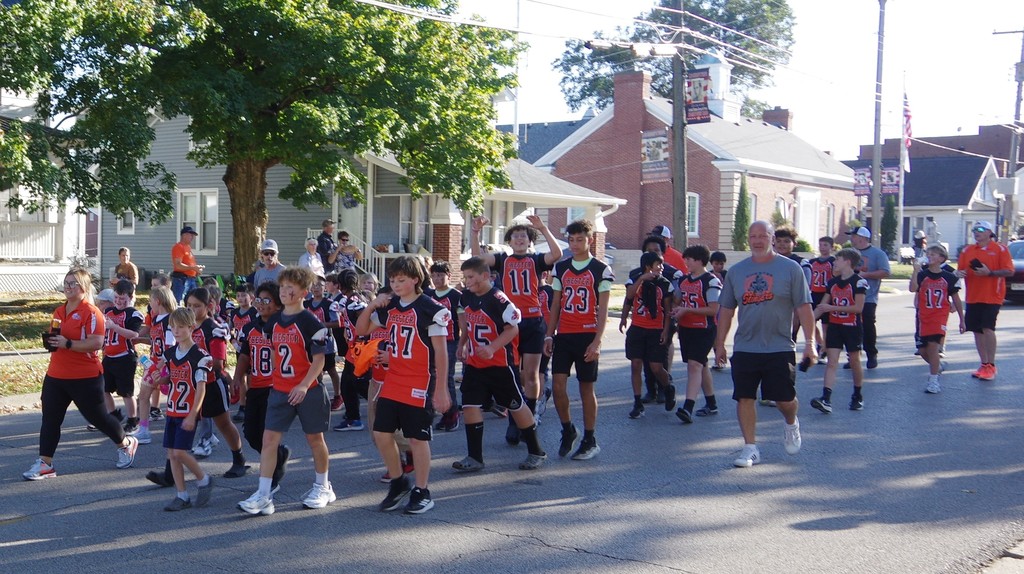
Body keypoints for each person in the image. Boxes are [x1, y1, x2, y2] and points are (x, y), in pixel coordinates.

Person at [714, 221, 814, 468]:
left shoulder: (790, 269)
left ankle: (791, 423)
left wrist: (810, 343)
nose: (757, 240)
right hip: (746, 346)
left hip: (779, 346)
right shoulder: (737, 272)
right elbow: (726, 310)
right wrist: (719, 344)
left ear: (772, 238)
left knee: (785, 400)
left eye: (763, 236)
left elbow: (804, 307)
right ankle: (750, 448)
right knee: (744, 397)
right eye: (753, 236)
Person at [355, 256, 451, 514]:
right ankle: (399, 483)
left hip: (420, 382)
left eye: (401, 280)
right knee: (381, 433)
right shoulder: (390, 306)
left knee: (417, 438)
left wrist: (441, 389)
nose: (395, 285)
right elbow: (361, 330)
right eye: (392, 280)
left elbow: (441, 353)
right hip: (394, 380)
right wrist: (372, 305)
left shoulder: (430, 309)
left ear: (415, 280)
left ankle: (422, 490)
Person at [23, 269, 140, 480]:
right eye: (66, 283)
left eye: (73, 284)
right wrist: (51, 341)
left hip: (85, 376)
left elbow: (96, 342)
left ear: (83, 288)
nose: (68, 287)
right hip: (56, 374)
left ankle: (125, 444)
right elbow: (56, 336)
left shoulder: (92, 313)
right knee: (50, 419)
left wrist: (68, 343)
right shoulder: (59, 311)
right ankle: (45, 464)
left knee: (98, 418)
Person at [238, 267, 335, 515]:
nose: (285, 291)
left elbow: (319, 361)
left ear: (304, 292)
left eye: (290, 287)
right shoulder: (275, 322)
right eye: (282, 287)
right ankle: (263, 494)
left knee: (315, 439)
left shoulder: (310, 322)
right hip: (280, 390)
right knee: (268, 440)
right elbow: (273, 352)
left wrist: (303, 385)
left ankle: (323, 486)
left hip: (308, 389)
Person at [470, 214, 562, 445]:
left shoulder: (537, 260)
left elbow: (557, 254)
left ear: (529, 241)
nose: (519, 239)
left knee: (531, 375)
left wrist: (542, 228)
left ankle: (527, 421)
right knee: (512, 374)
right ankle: (514, 420)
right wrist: (475, 232)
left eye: (523, 236)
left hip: (533, 322)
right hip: (510, 323)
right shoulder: (503, 259)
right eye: (515, 236)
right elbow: (477, 258)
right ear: (509, 241)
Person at [452, 256, 547, 472]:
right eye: (465, 277)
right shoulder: (467, 297)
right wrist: (463, 343)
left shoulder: (498, 299)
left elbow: (513, 329)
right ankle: (475, 457)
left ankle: (536, 450)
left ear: (485, 276)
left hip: (500, 365)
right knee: (469, 405)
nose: (467, 281)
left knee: (515, 405)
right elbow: (467, 323)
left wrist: (493, 347)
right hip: (476, 364)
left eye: (471, 277)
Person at [543, 219, 614, 461]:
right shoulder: (561, 268)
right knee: (559, 385)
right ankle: (568, 429)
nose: (574, 244)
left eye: (580, 239)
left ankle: (590, 439)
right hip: (565, 334)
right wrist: (549, 334)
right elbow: (555, 304)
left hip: (586, 335)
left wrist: (597, 341)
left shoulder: (600, 269)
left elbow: (603, 310)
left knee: (586, 388)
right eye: (571, 240)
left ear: (590, 240)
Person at [183, 288, 248, 479]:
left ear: (208, 306)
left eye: (197, 306)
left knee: (224, 424)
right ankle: (172, 471)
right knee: (183, 426)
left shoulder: (213, 329)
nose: (192, 310)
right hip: (191, 386)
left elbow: (218, 363)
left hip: (211, 384)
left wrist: (196, 363)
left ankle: (239, 460)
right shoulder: (186, 327)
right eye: (188, 306)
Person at [233, 282, 292, 492]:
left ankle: (272, 477)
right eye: (259, 299)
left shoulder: (282, 326)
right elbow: (244, 356)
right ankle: (279, 455)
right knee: (250, 432)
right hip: (255, 386)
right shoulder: (250, 327)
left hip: (275, 387)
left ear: (277, 304)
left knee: (267, 434)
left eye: (267, 300)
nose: (261, 304)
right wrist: (237, 378)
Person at [161, 308, 215, 511]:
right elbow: (173, 379)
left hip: (186, 412)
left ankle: (204, 479)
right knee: (173, 454)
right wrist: (162, 378)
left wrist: (193, 414)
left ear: (191, 327)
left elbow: (201, 388)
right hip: (172, 409)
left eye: (181, 327)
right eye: (173, 326)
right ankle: (182, 495)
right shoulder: (170, 353)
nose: (176, 330)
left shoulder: (200, 356)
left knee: (180, 452)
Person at [810, 248, 868, 414]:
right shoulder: (832, 282)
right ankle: (826, 398)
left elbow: (858, 308)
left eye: (837, 259)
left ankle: (857, 395)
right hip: (835, 326)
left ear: (847, 262)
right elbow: (822, 306)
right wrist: (809, 321)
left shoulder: (858, 282)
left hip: (852, 327)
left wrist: (832, 307)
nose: (834, 262)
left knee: (855, 361)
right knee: (832, 362)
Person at [620, 251, 675, 420]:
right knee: (635, 364)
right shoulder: (636, 279)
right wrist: (623, 318)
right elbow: (629, 297)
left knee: (656, 367)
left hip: (655, 329)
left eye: (662, 264)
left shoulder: (665, 284)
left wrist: (666, 330)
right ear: (648, 266)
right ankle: (637, 403)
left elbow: (667, 311)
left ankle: (667, 387)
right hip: (637, 328)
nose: (661, 267)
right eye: (658, 264)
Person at [955, 220, 1012, 381]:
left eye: (980, 229)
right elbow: (960, 270)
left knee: (987, 328)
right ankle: (984, 364)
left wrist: (990, 273)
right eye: (974, 229)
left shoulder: (1000, 249)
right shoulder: (968, 250)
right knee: (977, 330)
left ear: (989, 232)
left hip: (992, 296)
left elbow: (1009, 271)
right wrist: (959, 274)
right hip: (973, 296)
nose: (976, 232)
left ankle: (992, 365)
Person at [674, 245, 722, 423]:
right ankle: (711, 403)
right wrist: (676, 309)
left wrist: (687, 309)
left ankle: (688, 406)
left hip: (704, 329)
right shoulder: (683, 280)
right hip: (686, 329)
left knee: (694, 365)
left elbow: (713, 309)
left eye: (689, 259)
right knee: (701, 365)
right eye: (685, 259)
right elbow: (678, 301)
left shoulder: (711, 281)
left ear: (700, 261)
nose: (686, 262)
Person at [912, 245, 965, 393]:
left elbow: (956, 299)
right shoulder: (922, 275)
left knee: (933, 346)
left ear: (941, 258)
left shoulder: (949, 277)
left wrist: (962, 319)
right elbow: (912, 288)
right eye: (928, 254)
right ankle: (937, 366)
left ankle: (933, 380)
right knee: (923, 351)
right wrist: (915, 271)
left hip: (939, 316)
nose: (929, 256)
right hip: (924, 316)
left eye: (933, 254)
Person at [135, 286, 177, 449]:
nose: (149, 304)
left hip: (163, 365)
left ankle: (177, 430)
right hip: (153, 362)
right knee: (143, 395)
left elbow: (170, 345)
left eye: (151, 300)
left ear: (158, 301)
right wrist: (141, 341)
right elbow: (157, 342)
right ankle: (143, 429)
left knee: (172, 399)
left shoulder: (170, 320)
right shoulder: (155, 318)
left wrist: (162, 366)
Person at [102, 280, 145, 435]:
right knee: (104, 388)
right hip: (109, 356)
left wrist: (115, 327)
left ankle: (133, 420)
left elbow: (134, 334)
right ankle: (114, 415)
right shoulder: (108, 312)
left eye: (123, 299)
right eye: (117, 298)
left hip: (125, 357)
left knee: (126, 392)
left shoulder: (133, 313)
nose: (119, 302)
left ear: (131, 297)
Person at [845, 226, 890, 369]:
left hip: (868, 297)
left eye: (853, 235)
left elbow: (885, 272)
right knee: (850, 327)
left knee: (867, 326)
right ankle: (853, 357)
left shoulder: (877, 254)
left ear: (862, 238)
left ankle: (871, 354)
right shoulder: (849, 253)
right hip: (848, 296)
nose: (851, 238)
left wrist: (866, 275)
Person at [425, 261, 462, 432]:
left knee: (446, 376)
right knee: (432, 376)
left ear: (449, 276)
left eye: (441, 275)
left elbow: (463, 323)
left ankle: (452, 413)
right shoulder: (428, 295)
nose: (437, 278)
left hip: (450, 341)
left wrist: (463, 344)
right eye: (435, 275)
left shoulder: (456, 296)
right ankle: (437, 411)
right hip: (431, 341)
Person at [304, 275, 343, 419]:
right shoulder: (306, 304)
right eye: (313, 285)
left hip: (326, 342)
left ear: (324, 287)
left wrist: (320, 324)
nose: (315, 288)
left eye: (319, 285)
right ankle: (320, 397)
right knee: (315, 370)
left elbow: (337, 322)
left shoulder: (329, 303)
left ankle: (338, 395)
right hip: (310, 342)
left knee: (331, 369)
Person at [808, 237, 836, 359]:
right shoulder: (812, 262)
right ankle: (820, 343)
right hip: (814, 293)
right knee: (810, 320)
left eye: (825, 245)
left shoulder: (833, 261)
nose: (822, 247)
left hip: (827, 295)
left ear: (831, 247)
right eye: (820, 245)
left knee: (826, 324)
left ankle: (825, 347)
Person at [171, 226, 204, 304]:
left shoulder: (188, 247)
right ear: (184, 235)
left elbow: (189, 263)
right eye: (191, 234)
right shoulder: (178, 247)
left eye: (193, 235)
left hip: (191, 279)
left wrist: (196, 270)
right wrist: (193, 268)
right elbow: (178, 265)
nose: (192, 237)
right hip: (181, 279)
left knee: (194, 301)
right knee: (178, 302)